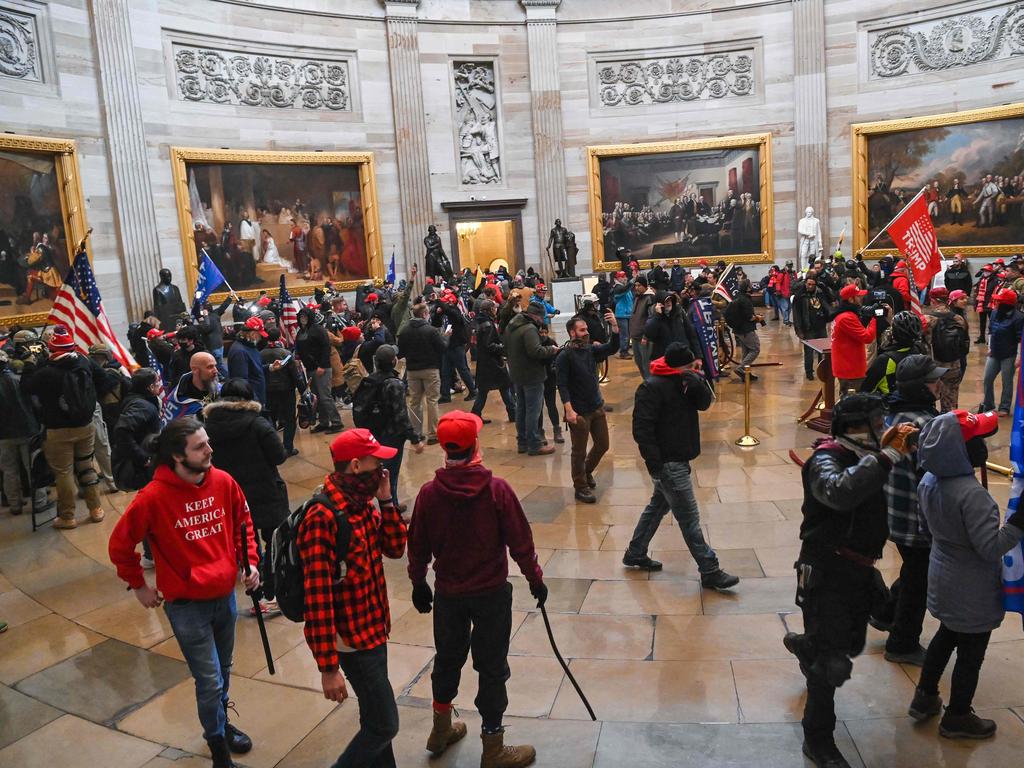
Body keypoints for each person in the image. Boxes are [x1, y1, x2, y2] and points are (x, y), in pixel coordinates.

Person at [108, 417, 260, 768]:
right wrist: (138, 585)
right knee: (209, 680)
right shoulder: (152, 497)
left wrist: (249, 562)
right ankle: (218, 747)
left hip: (225, 598)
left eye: (207, 442)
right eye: (200, 446)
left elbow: (243, 524)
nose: (210, 450)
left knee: (223, 671)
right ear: (177, 456)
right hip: (187, 606)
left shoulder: (223, 481)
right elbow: (120, 545)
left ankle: (220, 725)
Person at [782, 394, 918, 767]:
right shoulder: (825, 460)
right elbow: (840, 492)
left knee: (852, 642)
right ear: (852, 428)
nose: (880, 431)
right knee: (832, 665)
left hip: (858, 568)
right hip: (827, 569)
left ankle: (807, 645)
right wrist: (887, 456)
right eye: (874, 425)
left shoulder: (864, 457)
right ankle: (818, 739)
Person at [407, 411, 546, 768]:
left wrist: (418, 581)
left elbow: (417, 544)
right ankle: (493, 746)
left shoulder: (429, 493)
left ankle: (440, 730)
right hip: (490, 593)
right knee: (492, 667)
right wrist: (534, 578)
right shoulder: (497, 490)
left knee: (447, 660)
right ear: (475, 447)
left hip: (449, 594)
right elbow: (520, 541)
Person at [907, 409, 1023, 738]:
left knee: (945, 637)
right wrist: (1019, 522)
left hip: (943, 575)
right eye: (980, 440)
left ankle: (924, 696)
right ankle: (958, 715)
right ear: (962, 451)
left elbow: (926, 529)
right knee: (971, 654)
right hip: (972, 588)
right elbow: (990, 547)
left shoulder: (929, 480)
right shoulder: (974, 496)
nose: (985, 445)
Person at [297, 429, 406, 768]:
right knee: (386, 724)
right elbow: (317, 597)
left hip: (374, 627)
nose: (384, 468)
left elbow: (395, 548)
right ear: (356, 466)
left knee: (374, 719)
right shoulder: (324, 516)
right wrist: (328, 667)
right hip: (352, 641)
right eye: (378, 462)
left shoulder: (364, 503)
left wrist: (387, 501)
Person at [624, 342, 739, 590]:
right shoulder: (651, 387)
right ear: (678, 367)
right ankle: (710, 569)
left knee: (657, 507)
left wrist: (698, 383)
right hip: (668, 463)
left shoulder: (685, 383)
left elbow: (705, 404)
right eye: (691, 366)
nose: (695, 369)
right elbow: (642, 429)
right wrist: (655, 465)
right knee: (689, 519)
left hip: (679, 458)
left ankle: (635, 551)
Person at [874, 356, 944, 667]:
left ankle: (887, 613)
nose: (939, 384)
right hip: (915, 519)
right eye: (933, 380)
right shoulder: (923, 426)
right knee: (920, 578)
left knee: (916, 569)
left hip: (894, 512)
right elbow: (936, 471)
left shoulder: (893, 413)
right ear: (919, 388)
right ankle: (902, 643)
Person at [203, 378, 289, 616]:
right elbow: (279, 455)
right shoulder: (258, 424)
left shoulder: (208, 426)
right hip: (266, 491)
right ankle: (273, 591)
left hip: (230, 495)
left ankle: (256, 595)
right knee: (275, 542)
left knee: (244, 544)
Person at [20, 325, 110, 528]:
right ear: (72, 347)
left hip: (56, 430)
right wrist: (90, 399)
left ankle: (68, 517)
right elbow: (105, 379)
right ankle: (96, 510)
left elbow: (26, 387)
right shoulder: (83, 362)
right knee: (86, 467)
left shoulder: (46, 371)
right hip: (85, 426)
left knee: (64, 473)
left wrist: (29, 363)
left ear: (51, 349)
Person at [353, 344, 424, 514]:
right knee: (389, 473)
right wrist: (415, 439)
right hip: (391, 435)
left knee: (373, 470)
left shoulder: (370, 380)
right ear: (394, 361)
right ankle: (391, 507)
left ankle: (374, 505)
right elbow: (401, 416)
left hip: (372, 433)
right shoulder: (394, 384)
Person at [557, 313, 619, 503]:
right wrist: (568, 410)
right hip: (578, 411)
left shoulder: (591, 350)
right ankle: (580, 486)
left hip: (596, 406)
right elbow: (562, 384)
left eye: (586, 329)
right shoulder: (565, 356)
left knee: (603, 444)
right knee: (579, 450)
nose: (586, 333)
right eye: (582, 330)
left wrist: (615, 328)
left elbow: (612, 348)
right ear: (572, 332)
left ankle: (586, 471)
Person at [505, 302, 560, 456]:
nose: (542, 320)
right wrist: (551, 349)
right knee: (532, 410)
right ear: (536, 315)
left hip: (517, 373)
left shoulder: (513, 324)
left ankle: (522, 442)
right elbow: (535, 351)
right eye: (541, 317)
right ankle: (534, 444)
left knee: (521, 409)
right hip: (532, 375)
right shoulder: (529, 329)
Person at [0, 349, 44, 516]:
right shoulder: (19, 381)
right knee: (33, 468)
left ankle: (14, 504)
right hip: (27, 430)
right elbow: (36, 404)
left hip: (3, 435)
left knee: (9, 471)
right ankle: (39, 502)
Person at [397, 302, 448, 445]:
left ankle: (416, 433)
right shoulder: (431, 331)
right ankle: (433, 433)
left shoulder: (404, 331)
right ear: (425, 314)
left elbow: (401, 352)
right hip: (430, 369)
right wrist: (445, 337)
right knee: (432, 401)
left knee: (414, 402)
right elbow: (442, 348)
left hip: (412, 370)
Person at [111, 367, 162, 492]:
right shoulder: (142, 406)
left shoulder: (134, 398)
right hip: (140, 466)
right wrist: (142, 458)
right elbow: (122, 430)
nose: (159, 386)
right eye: (157, 383)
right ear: (150, 387)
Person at [295, 307, 342, 433]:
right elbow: (299, 348)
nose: (303, 319)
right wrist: (297, 358)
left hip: (322, 368)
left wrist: (322, 365)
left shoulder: (319, 330)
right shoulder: (300, 332)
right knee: (317, 397)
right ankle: (324, 422)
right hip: (309, 369)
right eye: (301, 317)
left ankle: (337, 422)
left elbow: (326, 349)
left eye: (305, 317)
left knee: (325, 396)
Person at [470, 299, 516, 424]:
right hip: (493, 363)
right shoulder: (488, 325)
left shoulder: (480, 322)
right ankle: (513, 413)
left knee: (483, 391)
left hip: (484, 362)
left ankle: (475, 415)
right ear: (490, 309)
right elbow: (490, 345)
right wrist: (504, 349)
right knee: (505, 386)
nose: (496, 309)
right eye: (494, 308)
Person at [860, 311, 927, 395]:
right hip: (918, 403)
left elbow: (865, 390)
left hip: (892, 405)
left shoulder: (885, 360)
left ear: (894, 334)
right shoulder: (920, 349)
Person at [980, 287, 1024, 415]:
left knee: (1007, 381)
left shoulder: (1019, 318)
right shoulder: (994, 313)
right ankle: (988, 405)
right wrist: (989, 348)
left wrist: (1018, 357)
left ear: (1008, 304)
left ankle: (1004, 407)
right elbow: (991, 331)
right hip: (994, 352)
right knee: (987, 379)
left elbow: (1020, 339)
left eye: (999, 301)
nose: (997, 303)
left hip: (1009, 355)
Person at [924, 289, 970, 411]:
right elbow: (965, 344)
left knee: (928, 402)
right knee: (951, 403)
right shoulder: (959, 319)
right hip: (954, 365)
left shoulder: (928, 320)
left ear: (932, 301)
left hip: (933, 367)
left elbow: (924, 345)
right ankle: (951, 425)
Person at [830, 284, 880, 394]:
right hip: (850, 369)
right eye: (858, 296)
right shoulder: (847, 318)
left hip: (848, 366)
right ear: (851, 299)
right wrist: (874, 319)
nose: (861, 299)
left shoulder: (843, 315)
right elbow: (867, 337)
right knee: (852, 405)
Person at [260, 328, 301, 457]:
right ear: (279, 337)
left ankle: (274, 448)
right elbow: (295, 375)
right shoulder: (286, 353)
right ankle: (288, 447)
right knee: (289, 419)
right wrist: (303, 390)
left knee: (271, 419)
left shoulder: (260, 354)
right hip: (286, 390)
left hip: (268, 391)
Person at [792, 274, 832, 380]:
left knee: (823, 351)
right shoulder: (799, 296)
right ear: (805, 283)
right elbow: (796, 315)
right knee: (809, 352)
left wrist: (824, 288)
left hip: (821, 325)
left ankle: (822, 369)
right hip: (808, 328)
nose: (810, 286)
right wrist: (798, 330)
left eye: (813, 285)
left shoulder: (820, 293)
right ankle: (809, 372)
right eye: (808, 284)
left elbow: (829, 301)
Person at [164, 351, 221, 424]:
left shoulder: (211, 383)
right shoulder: (185, 408)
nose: (216, 371)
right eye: (210, 367)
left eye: (215, 366)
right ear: (195, 370)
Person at [724, 278, 763, 381]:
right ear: (747, 288)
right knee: (755, 349)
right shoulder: (745, 300)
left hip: (738, 329)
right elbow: (749, 317)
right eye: (750, 285)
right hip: (746, 329)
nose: (752, 287)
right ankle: (741, 368)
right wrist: (759, 318)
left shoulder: (738, 297)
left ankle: (746, 374)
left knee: (746, 351)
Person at [226, 317, 268, 407]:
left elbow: (253, 369)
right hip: (252, 402)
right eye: (259, 335)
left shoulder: (250, 346)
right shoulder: (239, 352)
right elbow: (241, 383)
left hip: (258, 398)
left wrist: (270, 367)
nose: (260, 338)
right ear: (252, 334)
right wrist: (255, 402)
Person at [628, 277, 656, 380]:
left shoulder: (649, 298)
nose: (637, 288)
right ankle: (646, 383)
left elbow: (651, 318)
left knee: (646, 363)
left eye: (639, 285)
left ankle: (651, 386)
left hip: (644, 338)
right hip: (635, 336)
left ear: (645, 286)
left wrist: (646, 335)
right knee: (639, 362)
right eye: (635, 285)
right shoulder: (637, 297)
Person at [612, 271, 634, 358]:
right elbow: (624, 290)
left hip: (627, 314)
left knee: (627, 334)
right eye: (622, 277)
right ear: (617, 279)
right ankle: (623, 351)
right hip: (621, 314)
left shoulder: (624, 288)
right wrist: (632, 281)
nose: (625, 278)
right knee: (624, 334)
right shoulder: (617, 288)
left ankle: (625, 350)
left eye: (625, 276)